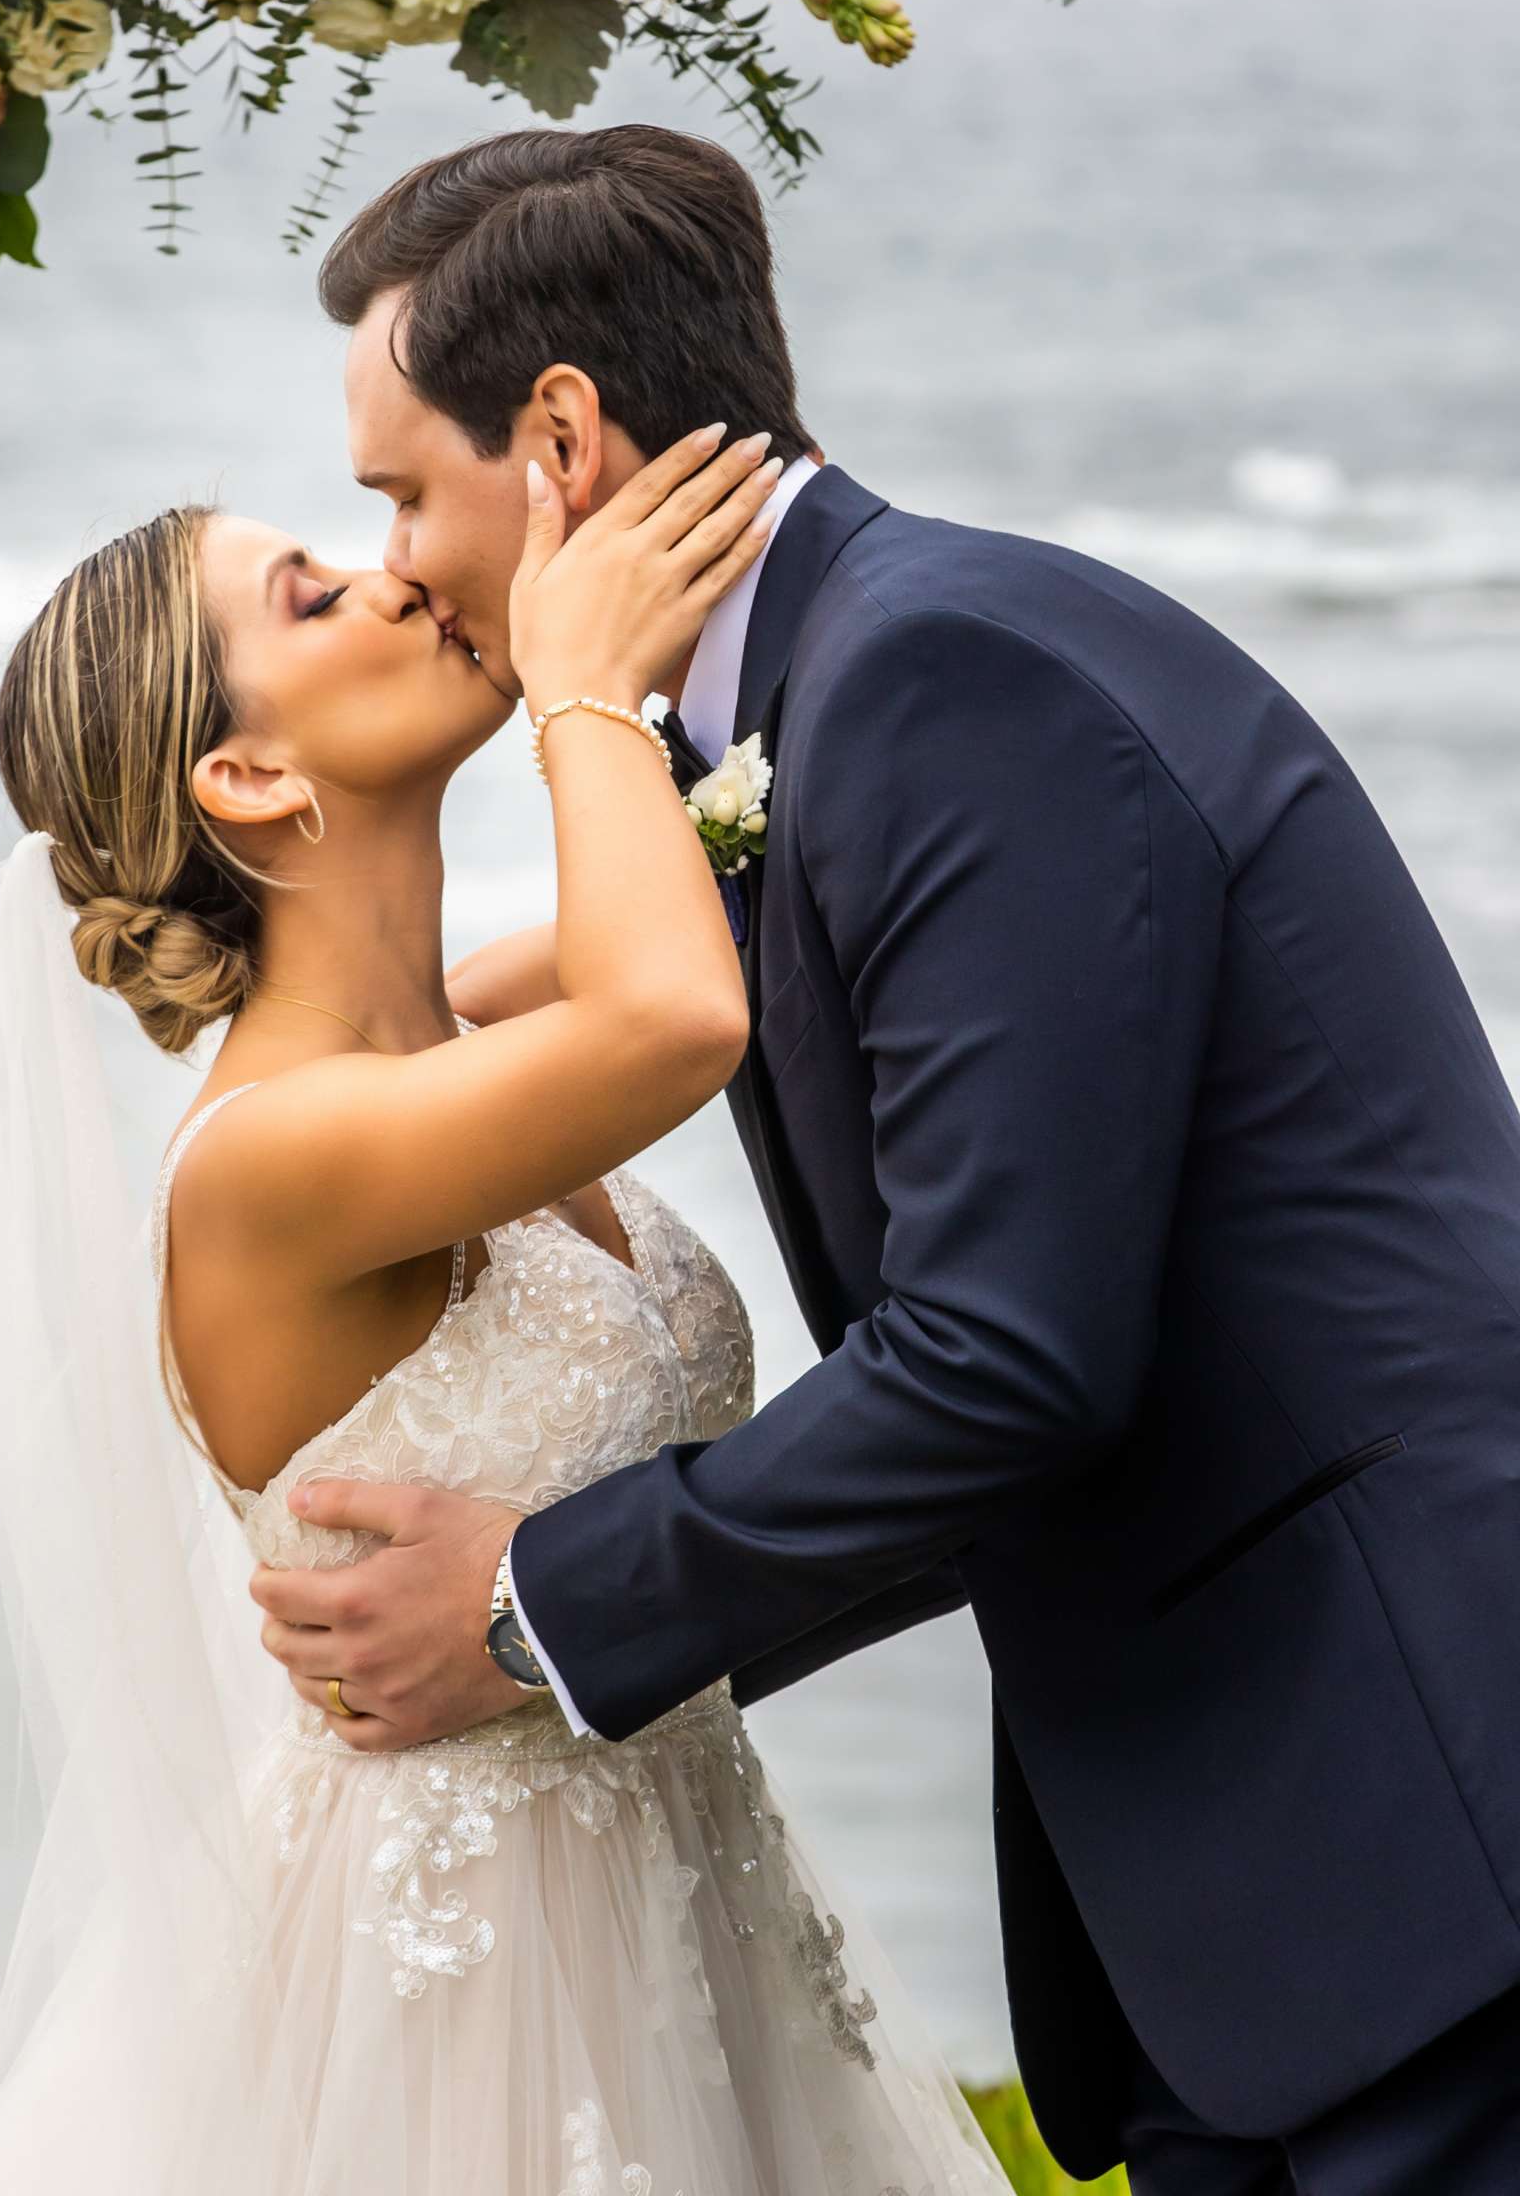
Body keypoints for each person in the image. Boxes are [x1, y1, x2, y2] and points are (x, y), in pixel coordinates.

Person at [250, 123, 1520, 2196]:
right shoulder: (818, 702)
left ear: (558, 437)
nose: (397, 557)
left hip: (1415, 1824)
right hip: (1262, 1866)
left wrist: (528, 1604)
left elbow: (1005, 1361)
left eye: (404, 487)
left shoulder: (939, 684)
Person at [0, 436, 1008, 2190]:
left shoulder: (458, 1045)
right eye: (311, 594)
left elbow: (673, 956)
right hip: (455, 1989)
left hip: (684, 1906)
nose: (396, 578)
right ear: (251, 773)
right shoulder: (266, 1163)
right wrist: (578, 688)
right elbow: (679, 1020)